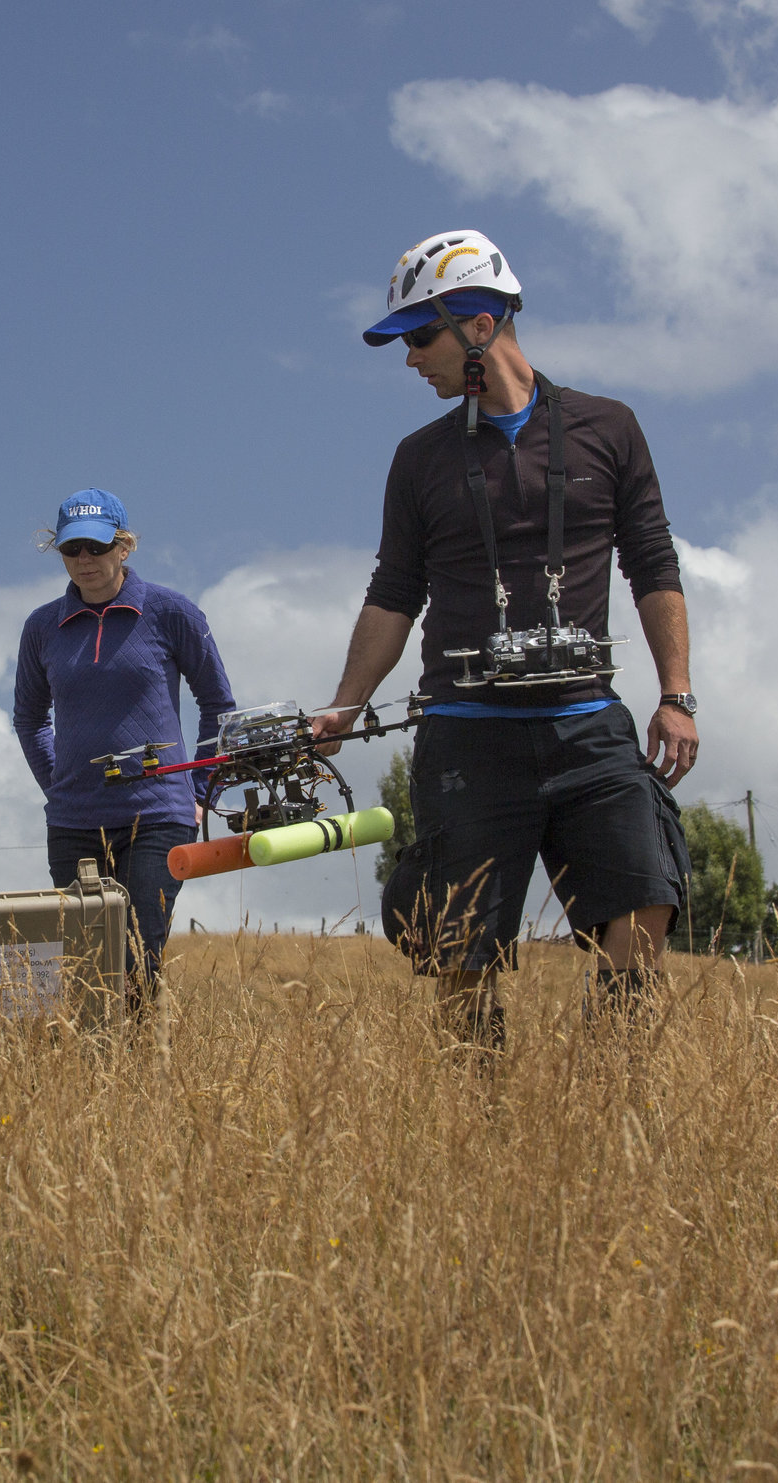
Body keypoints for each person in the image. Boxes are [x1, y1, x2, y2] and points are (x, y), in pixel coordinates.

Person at [311, 230, 698, 1046]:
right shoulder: (418, 460)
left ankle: (606, 1089)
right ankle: (480, 1119)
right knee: (458, 945)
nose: (411, 360)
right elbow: (393, 594)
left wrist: (675, 694)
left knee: (647, 899)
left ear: (480, 322)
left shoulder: (610, 428)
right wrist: (344, 709)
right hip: (466, 735)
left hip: (587, 724)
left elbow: (653, 563)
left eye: (421, 336)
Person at [13, 489, 236, 1006]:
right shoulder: (41, 627)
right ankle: (92, 1077)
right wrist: (59, 785)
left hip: (159, 816)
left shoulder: (172, 612)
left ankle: (141, 1074)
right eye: (73, 551)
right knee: (82, 963)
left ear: (124, 546)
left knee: (138, 956)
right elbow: (28, 718)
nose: (85, 561)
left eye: (96, 546)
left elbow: (218, 707)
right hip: (73, 823)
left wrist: (201, 791)